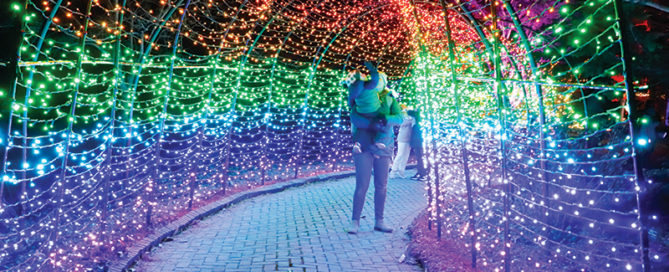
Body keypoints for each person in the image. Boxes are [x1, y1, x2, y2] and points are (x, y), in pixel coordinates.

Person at [344, 64, 403, 234]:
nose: (379, 84)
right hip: (363, 146)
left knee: (381, 185)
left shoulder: (390, 100)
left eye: (382, 81)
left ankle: (380, 220)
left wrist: (385, 119)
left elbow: (400, 118)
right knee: (362, 184)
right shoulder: (361, 97)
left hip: (384, 146)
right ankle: (355, 221)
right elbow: (354, 117)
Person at [342, 61, 391, 155]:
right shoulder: (368, 85)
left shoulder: (352, 89)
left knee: (363, 128)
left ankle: (358, 143)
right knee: (380, 122)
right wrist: (371, 68)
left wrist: (355, 108)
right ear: (360, 77)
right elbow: (375, 78)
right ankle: (377, 141)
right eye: (362, 74)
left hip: (361, 111)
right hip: (374, 110)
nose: (364, 74)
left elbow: (350, 102)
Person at [389, 105, 414, 179]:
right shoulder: (402, 116)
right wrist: (409, 120)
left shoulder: (411, 117)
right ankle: (393, 171)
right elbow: (401, 124)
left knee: (405, 155)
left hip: (409, 139)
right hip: (402, 138)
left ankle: (401, 170)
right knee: (400, 154)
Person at [408, 109, 427, 181]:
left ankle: (422, 173)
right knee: (419, 158)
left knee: (420, 158)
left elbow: (416, 135)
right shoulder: (416, 122)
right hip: (418, 142)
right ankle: (420, 172)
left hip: (419, 142)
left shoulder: (417, 122)